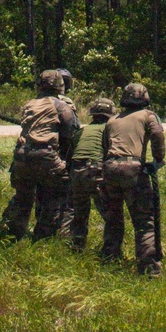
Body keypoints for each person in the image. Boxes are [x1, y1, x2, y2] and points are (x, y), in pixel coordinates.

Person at [0, 71, 79, 241]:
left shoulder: (30, 104)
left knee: (23, 197)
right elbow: (72, 132)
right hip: (45, 156)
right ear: (59, 86)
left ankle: (9, 234)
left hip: (22, 155)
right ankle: (44, 237)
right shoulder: (61, 106)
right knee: (58, 193)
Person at [100, 83, 165, 276]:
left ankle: (110, 258)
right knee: (144, 221)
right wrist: (158, 160)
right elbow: (158, 135)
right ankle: (149, 268)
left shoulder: (112, 120)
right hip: (133, 170)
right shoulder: (148, 115)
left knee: (113, 219)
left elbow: (105, 147)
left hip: (110, 168)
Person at [63, 96, 114, 250]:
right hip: (96, 171)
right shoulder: (109, 130)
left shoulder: (81, 131)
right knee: (111, 216)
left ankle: (77, 248)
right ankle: (110, 252)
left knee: (79, 214)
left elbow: (70, 156)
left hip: (76, 172)